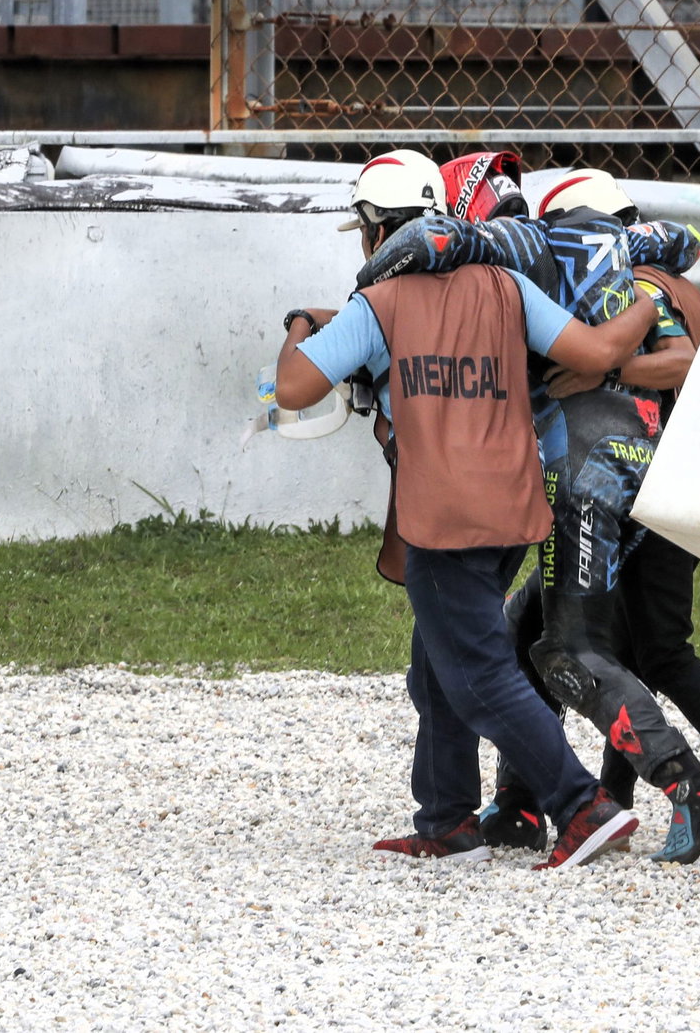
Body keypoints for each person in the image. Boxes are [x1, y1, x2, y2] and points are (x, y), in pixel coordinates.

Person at [355, 153, 700, 865]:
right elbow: (684, 240)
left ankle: (691, 791)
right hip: (630, 463)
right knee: (520, 635)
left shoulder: (517, 250)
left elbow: (428, 244)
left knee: (567, 651)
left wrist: (366, 290)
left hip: (580, 473)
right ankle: (512, 805)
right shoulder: (618, 249)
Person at [275, 149, 652, 869]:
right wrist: (644, 299)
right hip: (513, 503)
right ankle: (446, 819)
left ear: (375, 232)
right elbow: (600, 349)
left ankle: (582, 805)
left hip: (442, 516)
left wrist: (299, 324)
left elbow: (292, 388)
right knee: (435, 665)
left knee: (478, 671)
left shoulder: (378, 305)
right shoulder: (506, 287)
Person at [507, 167, 700, 861]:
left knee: (649, 651)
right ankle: (601, 804)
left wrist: (602, 368)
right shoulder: (668, 278)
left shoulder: (638, 287)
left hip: (645, 483)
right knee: (613, 645)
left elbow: (682, 360)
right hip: (671, 478)